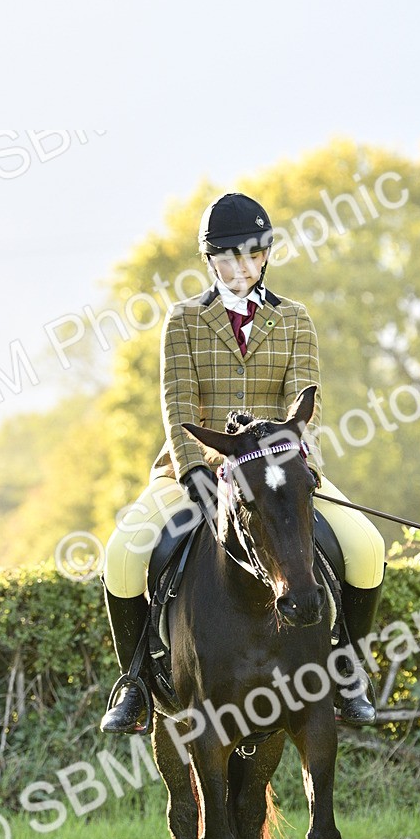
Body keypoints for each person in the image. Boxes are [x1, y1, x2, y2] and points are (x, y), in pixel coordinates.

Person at [100, 192, 385, 734]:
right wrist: (195, 472)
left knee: (368, 548)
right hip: (194, 475)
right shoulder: (184, 320)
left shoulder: (295, 320)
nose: (239, 268)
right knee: (120, 556)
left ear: (265, 257)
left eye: (250, 255)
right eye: (227, 258)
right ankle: (135, 682)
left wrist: (305, 468)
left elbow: (306, 407)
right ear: (210, 262)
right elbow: (177, 405)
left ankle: (348, 672)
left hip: (278, 475)